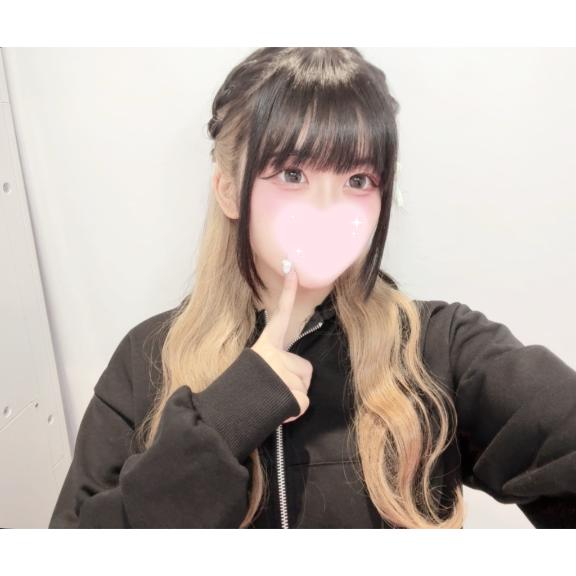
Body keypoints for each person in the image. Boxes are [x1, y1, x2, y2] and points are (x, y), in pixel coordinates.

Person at [49, 47, 576, 529]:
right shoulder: (146, 360)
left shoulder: (440, 347)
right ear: (229, 190)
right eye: (292, 173)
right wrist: (228, 416)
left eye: (358, 180)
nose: (329, 208)